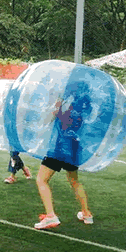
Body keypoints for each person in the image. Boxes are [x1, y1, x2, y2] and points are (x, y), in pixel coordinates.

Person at [34, 87, 93, 230]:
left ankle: (50, 216)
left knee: (41, 179)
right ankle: (86, 214)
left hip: (60, 147)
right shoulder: (82, 111)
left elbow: (49, 119)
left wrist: (57, 104)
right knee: (74, 180)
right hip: (74, 148)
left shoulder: (65, 108)